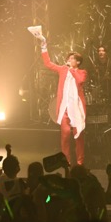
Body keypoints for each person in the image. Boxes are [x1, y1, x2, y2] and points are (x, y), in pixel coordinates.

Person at [29, 26, 88, 166]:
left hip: (76, 108)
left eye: (72, 59)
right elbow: (48, 63)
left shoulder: (82, 72)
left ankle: (80, 163)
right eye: (69, 58)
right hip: (65, 108)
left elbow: (80, 80)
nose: (69, 60)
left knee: (79, 136)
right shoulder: (62, 69)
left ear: (78, 62)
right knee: (65, 135)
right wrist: (43, 45)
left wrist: (72, 70)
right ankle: (66, 162)